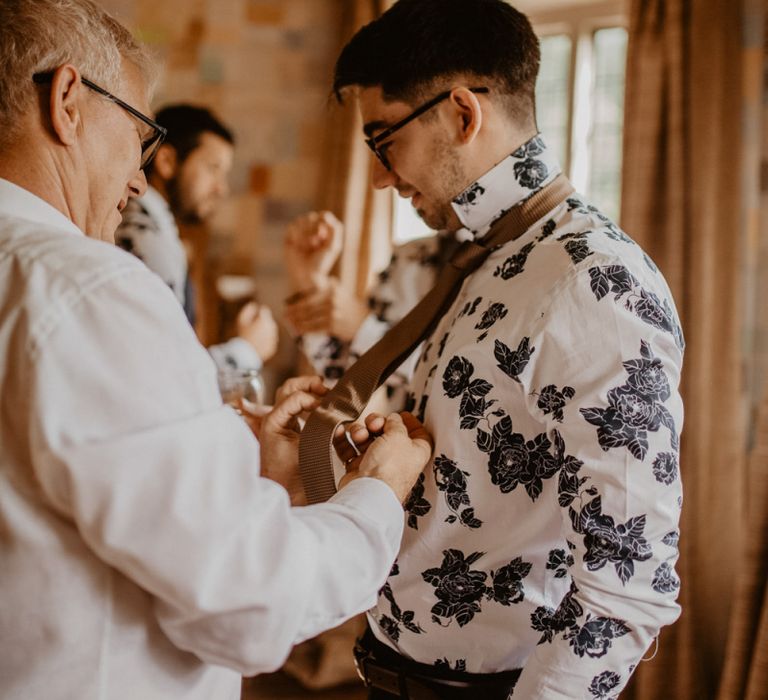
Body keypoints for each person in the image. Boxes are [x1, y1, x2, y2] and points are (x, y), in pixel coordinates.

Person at [0, 2, 434, 699]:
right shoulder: (90, 289)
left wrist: (232, 462)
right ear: (69, 101)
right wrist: (376, 495)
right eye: (140, 134)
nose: (140, 180)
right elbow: (244, 602)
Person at [324, 1, 686, 697]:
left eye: (382, 141)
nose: (378, 177)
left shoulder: (595, 283)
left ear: (461, 114)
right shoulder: (479, 260)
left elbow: (627, 586)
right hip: (386, 667)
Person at [116, 104, 278, 372]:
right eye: (212, 168)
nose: (221, 188)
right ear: (167, 161)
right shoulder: (147, 239)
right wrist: (246, 351)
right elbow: (163, 375)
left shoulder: (155, 230)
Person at [284, 210, 460, 414]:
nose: (381, 182)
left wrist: (364, 328)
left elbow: (456, 376)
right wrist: (309, 279)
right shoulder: (408, 256)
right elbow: (346, 370)